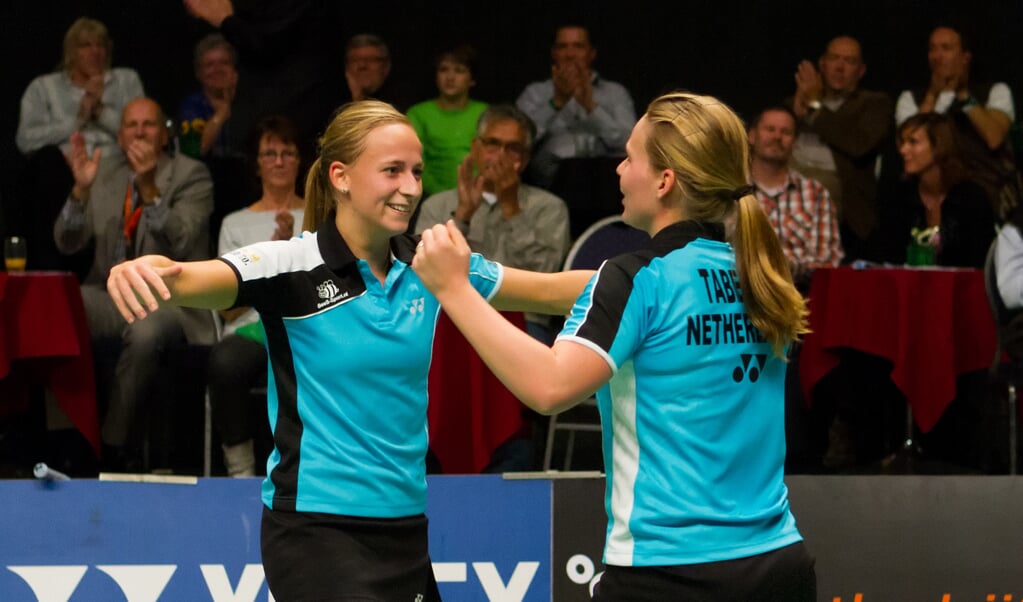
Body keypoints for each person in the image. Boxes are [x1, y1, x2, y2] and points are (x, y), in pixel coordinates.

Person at [104, 100, 590, 599]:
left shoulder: (431, 266)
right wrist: (148, 269)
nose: (411, 188)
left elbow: (553, 289)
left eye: (417, 172)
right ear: (341, 176)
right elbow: (198, 277)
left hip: (405, 525)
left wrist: (654, 276)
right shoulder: (290, 265)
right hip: (316, 530)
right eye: (392, 171)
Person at [413, 91, 816, 601]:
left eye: (629, 157)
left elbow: (549, 387)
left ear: (665, 180)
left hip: (668, 573)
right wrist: (483, 277)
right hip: (778, 564)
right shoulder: (757, 275)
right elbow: (601, 288)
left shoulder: (637, 280)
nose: (619, 170)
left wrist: (453, 291)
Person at [55, 97, 215, 471]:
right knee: (59, 310)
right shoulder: (105, 172)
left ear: (164, 135)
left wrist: (149, 188)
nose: (140, 132)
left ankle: (110, 447)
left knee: (144, 332)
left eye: (148, 125)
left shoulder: (192, 174)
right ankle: (64, 436)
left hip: (171, 298)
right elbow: (66, 241)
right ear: (120, 134)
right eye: (132, 125)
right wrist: (79, 192)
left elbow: (184, 243)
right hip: (110, 293)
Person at [414, 104, 570, 344]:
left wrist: (511, 209)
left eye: (513, 148)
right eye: (493, 144)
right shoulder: (438, 205)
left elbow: (543, 279)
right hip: (450, 318)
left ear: (525, 159)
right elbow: (423, 272)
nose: (500, 155)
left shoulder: (549, 208)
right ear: (476, 148)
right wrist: (463, 217)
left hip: (523, 322)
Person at [208, 116, 305, 477]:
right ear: (257, 164)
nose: (279, 161)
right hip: (250, 330)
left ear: (299, 161)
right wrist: (273, 258)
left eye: (287, 153)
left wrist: (290, 256)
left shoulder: (321, 215)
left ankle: (304, 469)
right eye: (270, 153)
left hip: (308, 325)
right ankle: (241, 472)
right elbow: (229, 310)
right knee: (225, 362)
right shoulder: (235, 223)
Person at [13, 17, 145, 274]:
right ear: (70, 51)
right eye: (85, 45)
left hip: (118, 167)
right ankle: (53, 272)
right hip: (62, 173)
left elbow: (144, 130)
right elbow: (25, 139)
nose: (94, 52)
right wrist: (79, 119)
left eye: (100, 45)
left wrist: (100, 110)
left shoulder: (126, 80)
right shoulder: (43, 87)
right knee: (48, 164)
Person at [895, 25, 1021, 220]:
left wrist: (963, 95)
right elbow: (909, 141)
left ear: (965, 57)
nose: (937, 56)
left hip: (984, 187)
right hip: (927, 186)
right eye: (932, 49)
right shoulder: (911, 98)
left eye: (946, 48)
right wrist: (932, 96)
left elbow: (994, 138)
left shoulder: (994, 91)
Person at [790, 35, 892, 262]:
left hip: (840, 205)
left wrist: (815, 108)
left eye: (849, 61)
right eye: (834, 58)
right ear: (822, 64)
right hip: (786, 190)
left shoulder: (873, 104)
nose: (839, 67)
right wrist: (795, 116)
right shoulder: (798, 101)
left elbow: (858, 145)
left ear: (861, 70)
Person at [516, 24, 636, 187]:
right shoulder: (535, 93)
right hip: (549, 185)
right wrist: (556, 102)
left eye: (578, 46)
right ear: (553, 53)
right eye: (562, 47)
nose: (570, 54)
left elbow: (631, 145)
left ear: (591, 53)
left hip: (607, 186)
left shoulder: (615, 93)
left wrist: (591, 108)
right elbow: (518, 141)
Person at [882, 113, 994, 268]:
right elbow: (886, 258)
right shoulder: (898, 196)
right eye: (902, 142)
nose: (903, 150)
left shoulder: (972, 198)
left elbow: (981, 262)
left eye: (913, 142)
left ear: (939, 146)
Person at [749, 106, 843, 285]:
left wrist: (777, 267)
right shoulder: (733, 192)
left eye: (785, 132)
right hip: (742, 297)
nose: (777, 137)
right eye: (770, 129)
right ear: (751, 136)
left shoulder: (815, 193)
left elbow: (826, 261)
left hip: (800, 297)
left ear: (794, 142)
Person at [407, 44, 488, 197]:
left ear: (472, 79)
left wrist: (473, 190)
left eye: (459, 70)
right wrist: (441, 195)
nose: (450, 77)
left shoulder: (486, 113)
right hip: (427, 197)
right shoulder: (418, 113)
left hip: (479, 194)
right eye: (444, 69)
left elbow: (491, 158)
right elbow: (414, 160)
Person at [177, 33, 239, 160]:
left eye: (224, 63)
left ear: (234, 69)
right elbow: (191, 151)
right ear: (198, 73)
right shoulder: (191, 106)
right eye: (209, 65)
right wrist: (222, 113)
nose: (217, 69)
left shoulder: (250, 103)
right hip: (204, 177)